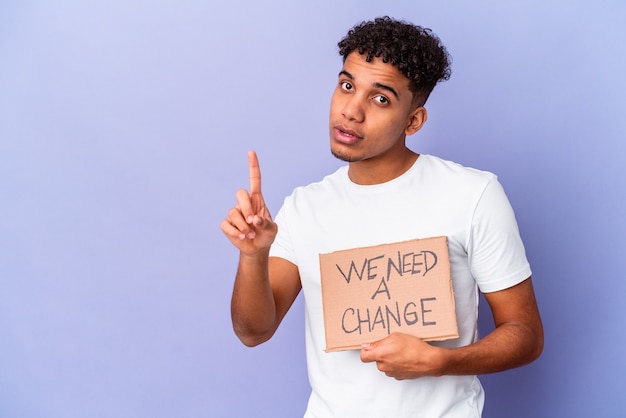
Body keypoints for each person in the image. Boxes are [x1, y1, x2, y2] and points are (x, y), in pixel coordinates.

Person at [221, 16, 543, 417]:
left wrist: (439, 362)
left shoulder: (473, 195)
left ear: (414, 120)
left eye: (381, 98)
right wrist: (252, 256)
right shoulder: (305, 207)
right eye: (347, 86)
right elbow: (253, 332)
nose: (351, 111)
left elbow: (525, 335)